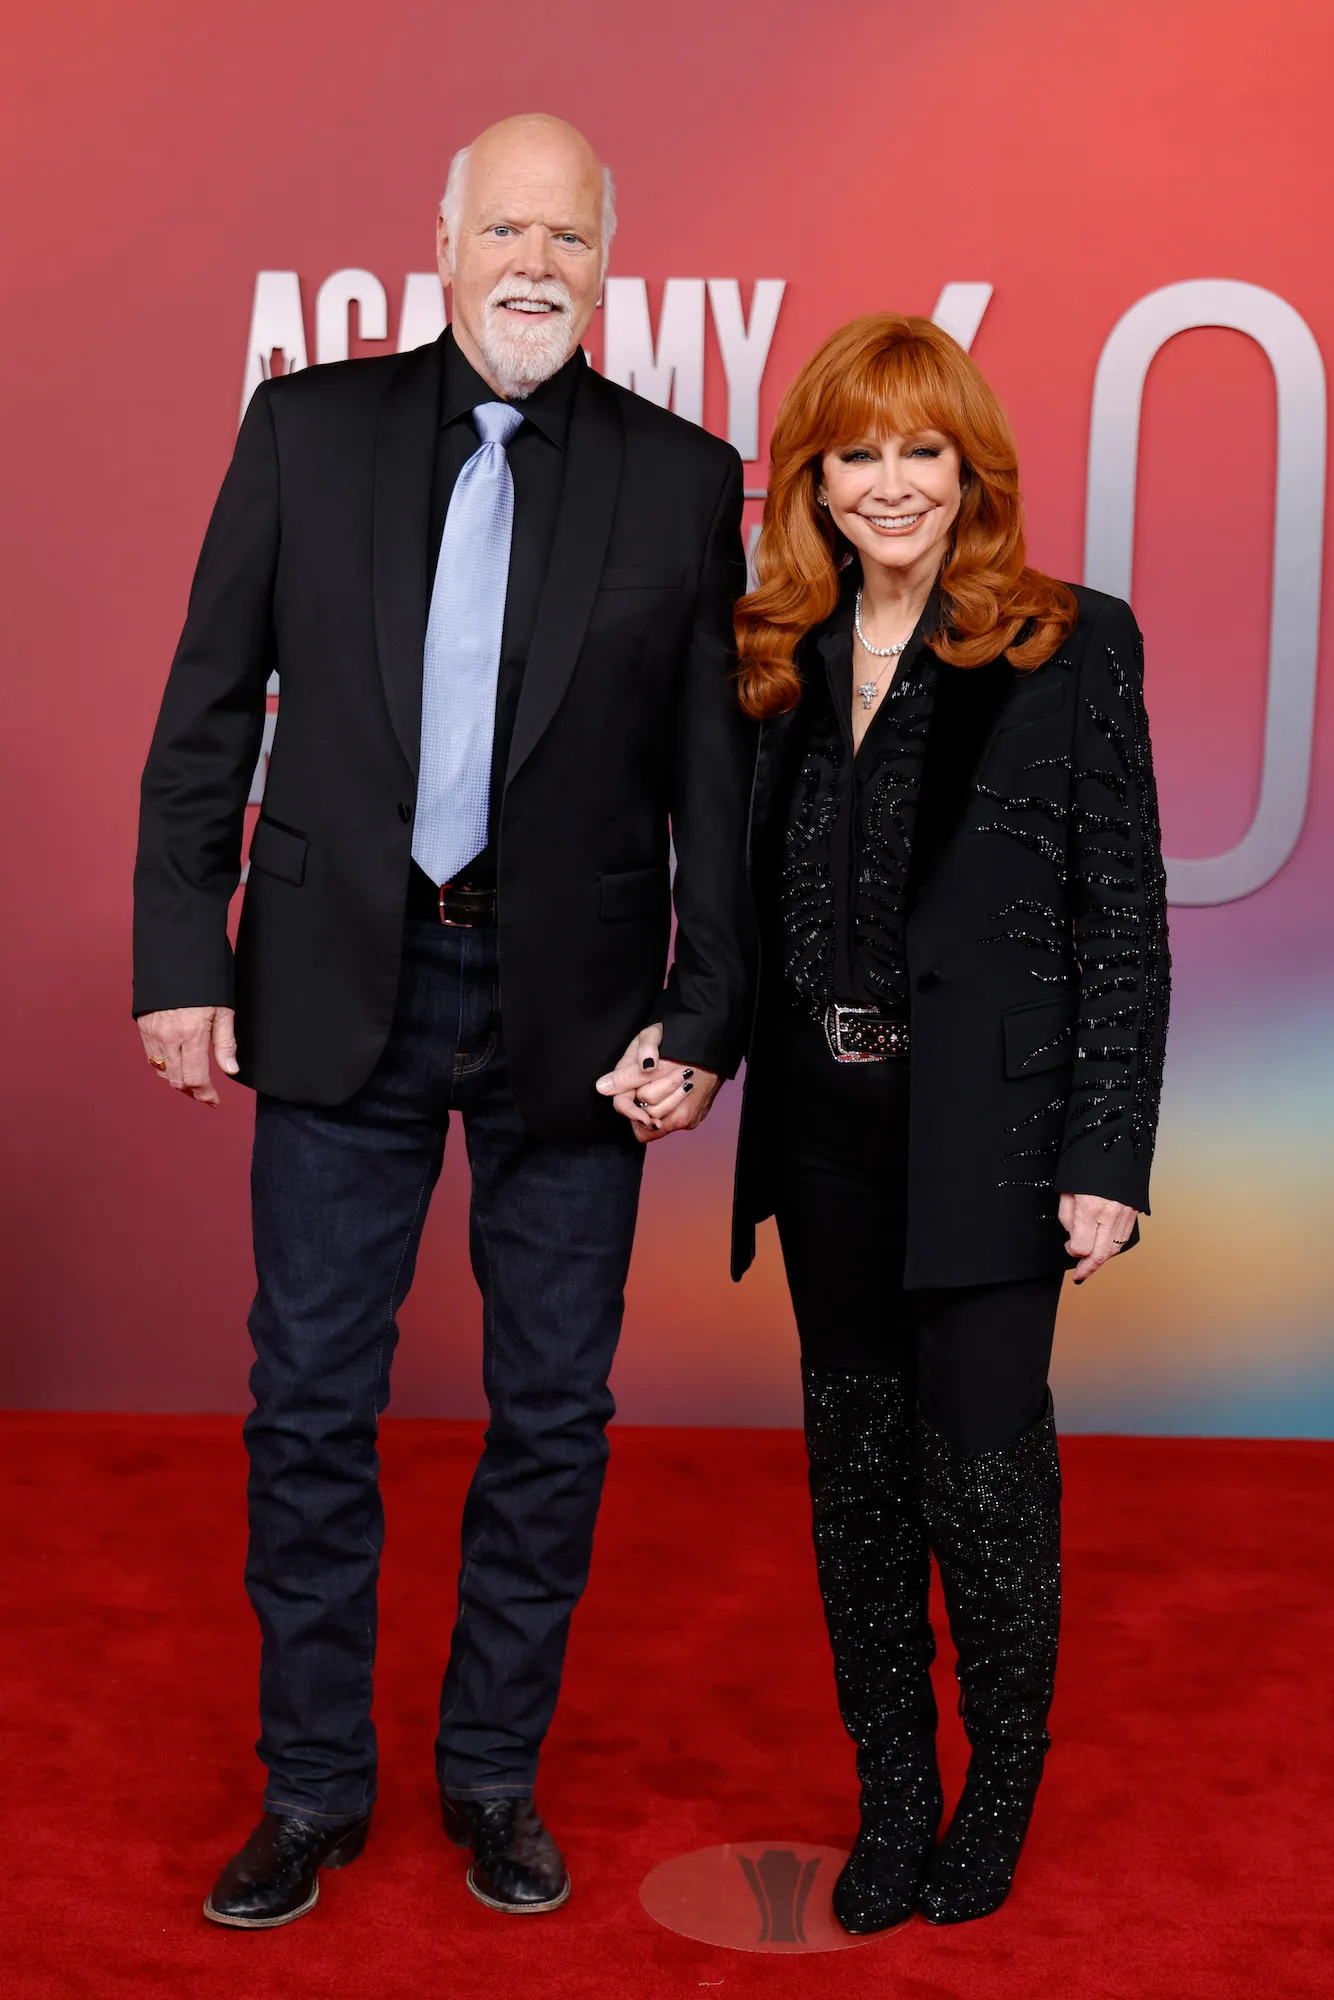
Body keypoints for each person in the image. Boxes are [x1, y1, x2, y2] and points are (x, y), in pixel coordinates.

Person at [133, 113, 755, 1929]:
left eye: (568, 235)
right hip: (334, 987)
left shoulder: (679, 476)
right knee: (308, 1403)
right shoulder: (304, 431)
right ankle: (314, 1786)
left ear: (606, 259)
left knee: (552, 1411)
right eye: (506, 228)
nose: (535, 263)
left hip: (574, 1010)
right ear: (444, 238)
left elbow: (711, 794)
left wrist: (702, 1011)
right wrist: (185, 953)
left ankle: (492, 1776)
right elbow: (202, 715)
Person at [725, 314, 1169, 1930]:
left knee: (981, 1480)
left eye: (922, 451)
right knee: (853, 1484)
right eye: (858, 453)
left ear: (969, 469)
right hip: (825, 1134)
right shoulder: (773, 649)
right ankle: (893, 1797)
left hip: (989, 1141)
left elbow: (1121, 914)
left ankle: (996, 1789)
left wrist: (1104, 1157)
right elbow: (745, 903)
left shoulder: (1068, 641)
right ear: (815, 479)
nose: (891, 483)